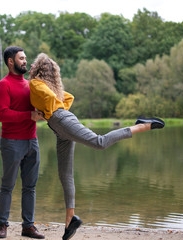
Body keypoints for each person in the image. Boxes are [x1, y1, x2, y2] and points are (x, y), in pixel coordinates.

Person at [28, 53, 165, 240]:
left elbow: (51, 98)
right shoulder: (46, 86)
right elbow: (68, 98)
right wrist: (45, 112)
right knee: (65, 174)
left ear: (37, 68)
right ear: (52, 73)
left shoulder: (35, 84)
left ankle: (142, 125)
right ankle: (69, 221)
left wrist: (43, 112)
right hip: (59, 126)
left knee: (99, 143)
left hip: (62, 121)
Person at [0, 46, 45, 239]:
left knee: (30, 187)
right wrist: (29, 115)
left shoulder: (31, 84)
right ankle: (2, 225)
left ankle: (28, 227)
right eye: (21, 58)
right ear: (10, 62)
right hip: (12, 142)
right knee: (8, 186)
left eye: (25, 58)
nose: (25, 61)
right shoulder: (3, 86)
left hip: (32, 141)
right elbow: (2, 115)